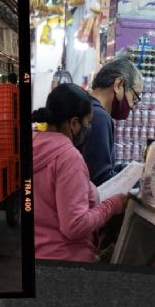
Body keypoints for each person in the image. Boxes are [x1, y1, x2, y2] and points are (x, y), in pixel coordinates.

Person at [32, 83, 128, 263]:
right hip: (67, 257)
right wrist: (113, 205)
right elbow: (74, 226)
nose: (88, 128)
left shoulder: (35, 144)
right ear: (74, 123)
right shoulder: (68, 158)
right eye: (87, 122)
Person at [80, 58, 143, 186]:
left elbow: (101, 167)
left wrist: (136, 171)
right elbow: (101, 179)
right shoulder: (99, 117)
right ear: (118, 85)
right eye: (134, 98)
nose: (132, 106)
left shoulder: (86, 107)